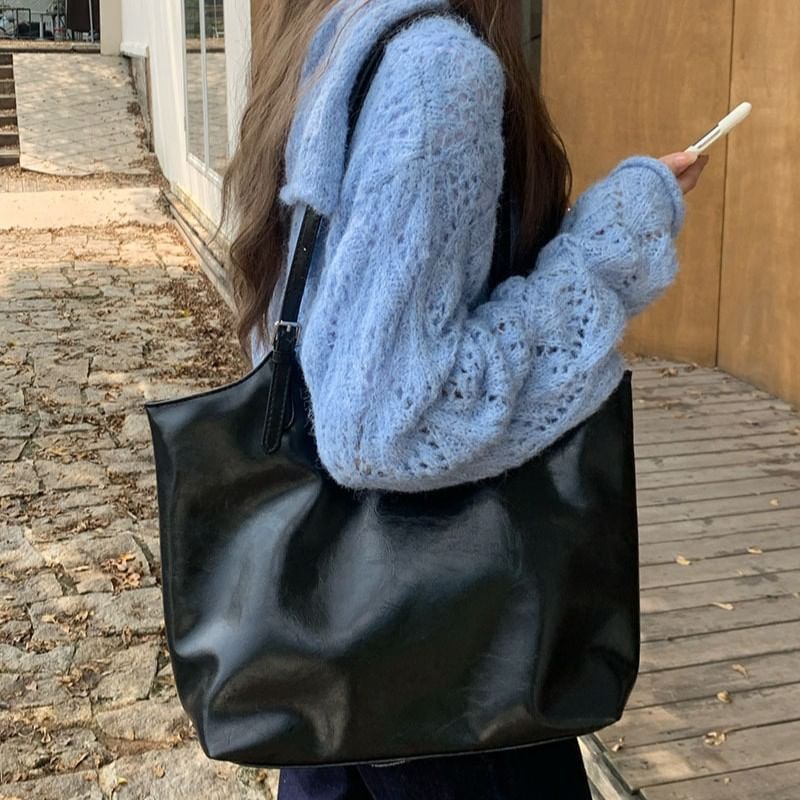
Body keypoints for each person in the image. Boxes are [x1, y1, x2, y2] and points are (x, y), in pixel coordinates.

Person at [220, 1, 708, 797]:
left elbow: (340, 345)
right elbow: (390, 423)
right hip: (456, 683)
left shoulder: (330, 36)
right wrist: (610, 243)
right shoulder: (434, 69)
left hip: (334, 665)